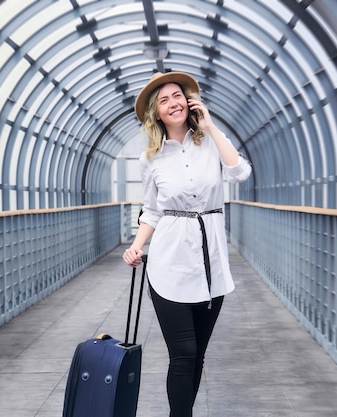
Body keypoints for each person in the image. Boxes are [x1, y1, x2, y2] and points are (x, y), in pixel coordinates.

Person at [122, 71, 252, 417]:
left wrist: (209, 126)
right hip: (170, 264)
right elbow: (151, 210)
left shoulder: (209, 142)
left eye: (176, 95)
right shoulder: (150, 158)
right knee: (182, 354)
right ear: (157, 113)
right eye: (163, 100)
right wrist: (136, 246)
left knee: (198, 356)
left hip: (211, 266)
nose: (172, 103)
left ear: (189, 101)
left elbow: (239, 172)